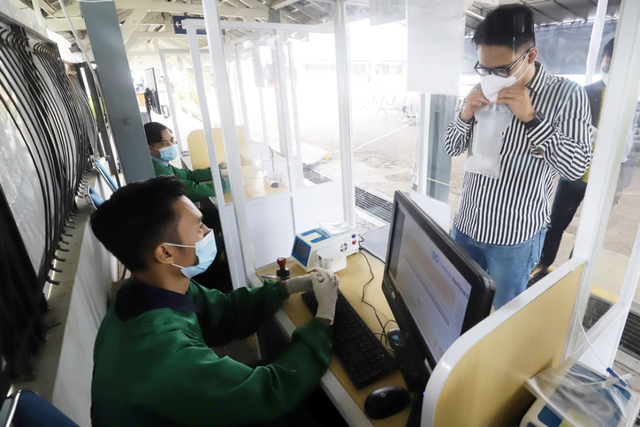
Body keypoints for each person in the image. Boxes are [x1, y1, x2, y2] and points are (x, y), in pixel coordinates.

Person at [90, 176, 340, 426]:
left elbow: (224, 311)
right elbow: (266, 393)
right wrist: (323, 319)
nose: (209, 232)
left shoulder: (147, 290)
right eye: (200, 227)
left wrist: (287, 287)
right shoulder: (161, 354)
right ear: (166, 253)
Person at [444, 5, 592, 310]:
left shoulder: (567, 95)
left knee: (501, 314)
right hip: (467, 225)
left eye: (501, 71)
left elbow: (577, 167)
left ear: (530, 56)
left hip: (515, 238)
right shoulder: (479, 87)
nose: (491, 78)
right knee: (457, 303)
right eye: (484, 69)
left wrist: (532, 119)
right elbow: (451, 147)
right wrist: (464, 114)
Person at [530, 38, 637, 282]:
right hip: (575, 176)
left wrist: (620, 185)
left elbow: (630, 147)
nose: (608, 73)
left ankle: (570, 273)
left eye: (614, 69)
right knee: (555, 223)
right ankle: (542, 264)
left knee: (589, 232)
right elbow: (565, 135)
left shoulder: (632, 102)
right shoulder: (585, 94)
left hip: (607, 181)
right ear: (601, 62)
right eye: (605, 67)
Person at [144, 122, 230, 203]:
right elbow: (192, 191)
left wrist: (220, 172)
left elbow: (188, 175)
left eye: (172, 140)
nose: (171, 145)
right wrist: (229, 183)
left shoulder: (161, 163)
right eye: (163, 143)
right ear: (150, 148)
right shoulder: (157, 169)